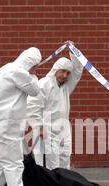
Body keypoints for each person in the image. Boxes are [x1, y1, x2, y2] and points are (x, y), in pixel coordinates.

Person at [0, 47, 41, 186]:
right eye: (35, 66)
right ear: (30, 63)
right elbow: (35, 90)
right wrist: (34, 76)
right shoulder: (19, 73)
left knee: (1, 163)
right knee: (14, 163)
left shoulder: (4, 69)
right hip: (8, 124)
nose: (35, 70)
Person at [26, 41, 83, 170]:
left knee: (64, 165)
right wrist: (39, 127)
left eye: (68, 73)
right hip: (47, 131)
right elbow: (31, 107)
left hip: (63, 130)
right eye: (63, 71)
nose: (65, 75)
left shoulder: (65, 87)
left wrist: (73, 52)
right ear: (55, 69)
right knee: (49, 167)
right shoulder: (43, 84)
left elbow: (78, 72)